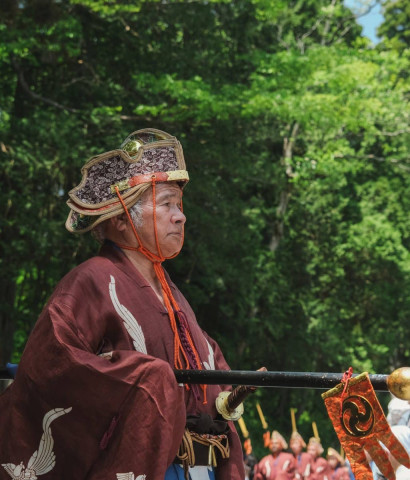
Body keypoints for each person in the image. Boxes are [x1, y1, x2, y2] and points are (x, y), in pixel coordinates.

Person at [0, 129, 244, 480]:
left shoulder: (175, 297)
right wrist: (145, 380)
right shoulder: (91, 280)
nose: (181, 217)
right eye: (166, 204)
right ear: (121, 219)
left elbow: (213, 378)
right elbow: (50, 366)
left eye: (180, 205)